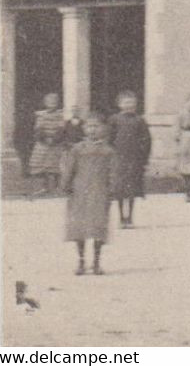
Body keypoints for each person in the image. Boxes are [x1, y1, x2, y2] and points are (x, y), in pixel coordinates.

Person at [61, 113, 114, 276]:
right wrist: (66, 185)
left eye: (96, 126)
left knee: (98, 227)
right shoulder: (77, 149)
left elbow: (113, 172)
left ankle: (97, 262)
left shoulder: (108, 151)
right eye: (89, 126)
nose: (92, 130)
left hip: (99, 192)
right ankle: (81, 261)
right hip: (80, 192)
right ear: (84, 129)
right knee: (80, 227)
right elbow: (69, 169)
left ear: (103, 129)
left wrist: (112, 189)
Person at [106, 91, 151, 229]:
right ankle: (121, 217)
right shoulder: (114, 119)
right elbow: (109, 139)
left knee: (131, 189)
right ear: (119, 104)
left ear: (135, 105)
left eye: (131, 102)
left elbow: (147, 139)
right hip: (119, 158)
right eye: (125, 102)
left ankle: (130, 217)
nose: (129, 105)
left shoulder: (139, 120)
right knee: (119, 189)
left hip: (134, 159)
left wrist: (144, 157)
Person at [27, 93, 67, 196]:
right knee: (40, 165)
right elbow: (38, 128)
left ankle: (54, 188)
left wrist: (54, 139)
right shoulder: (41, 115)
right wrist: (44, 138)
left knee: (54, 166)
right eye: (49, 101)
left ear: (58, 103)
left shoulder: (60, 115)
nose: (52, 103)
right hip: (43, 143)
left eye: (54, 101)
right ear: (45, 103)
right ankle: (42, 187)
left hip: (55, 144)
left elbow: (61, 128)